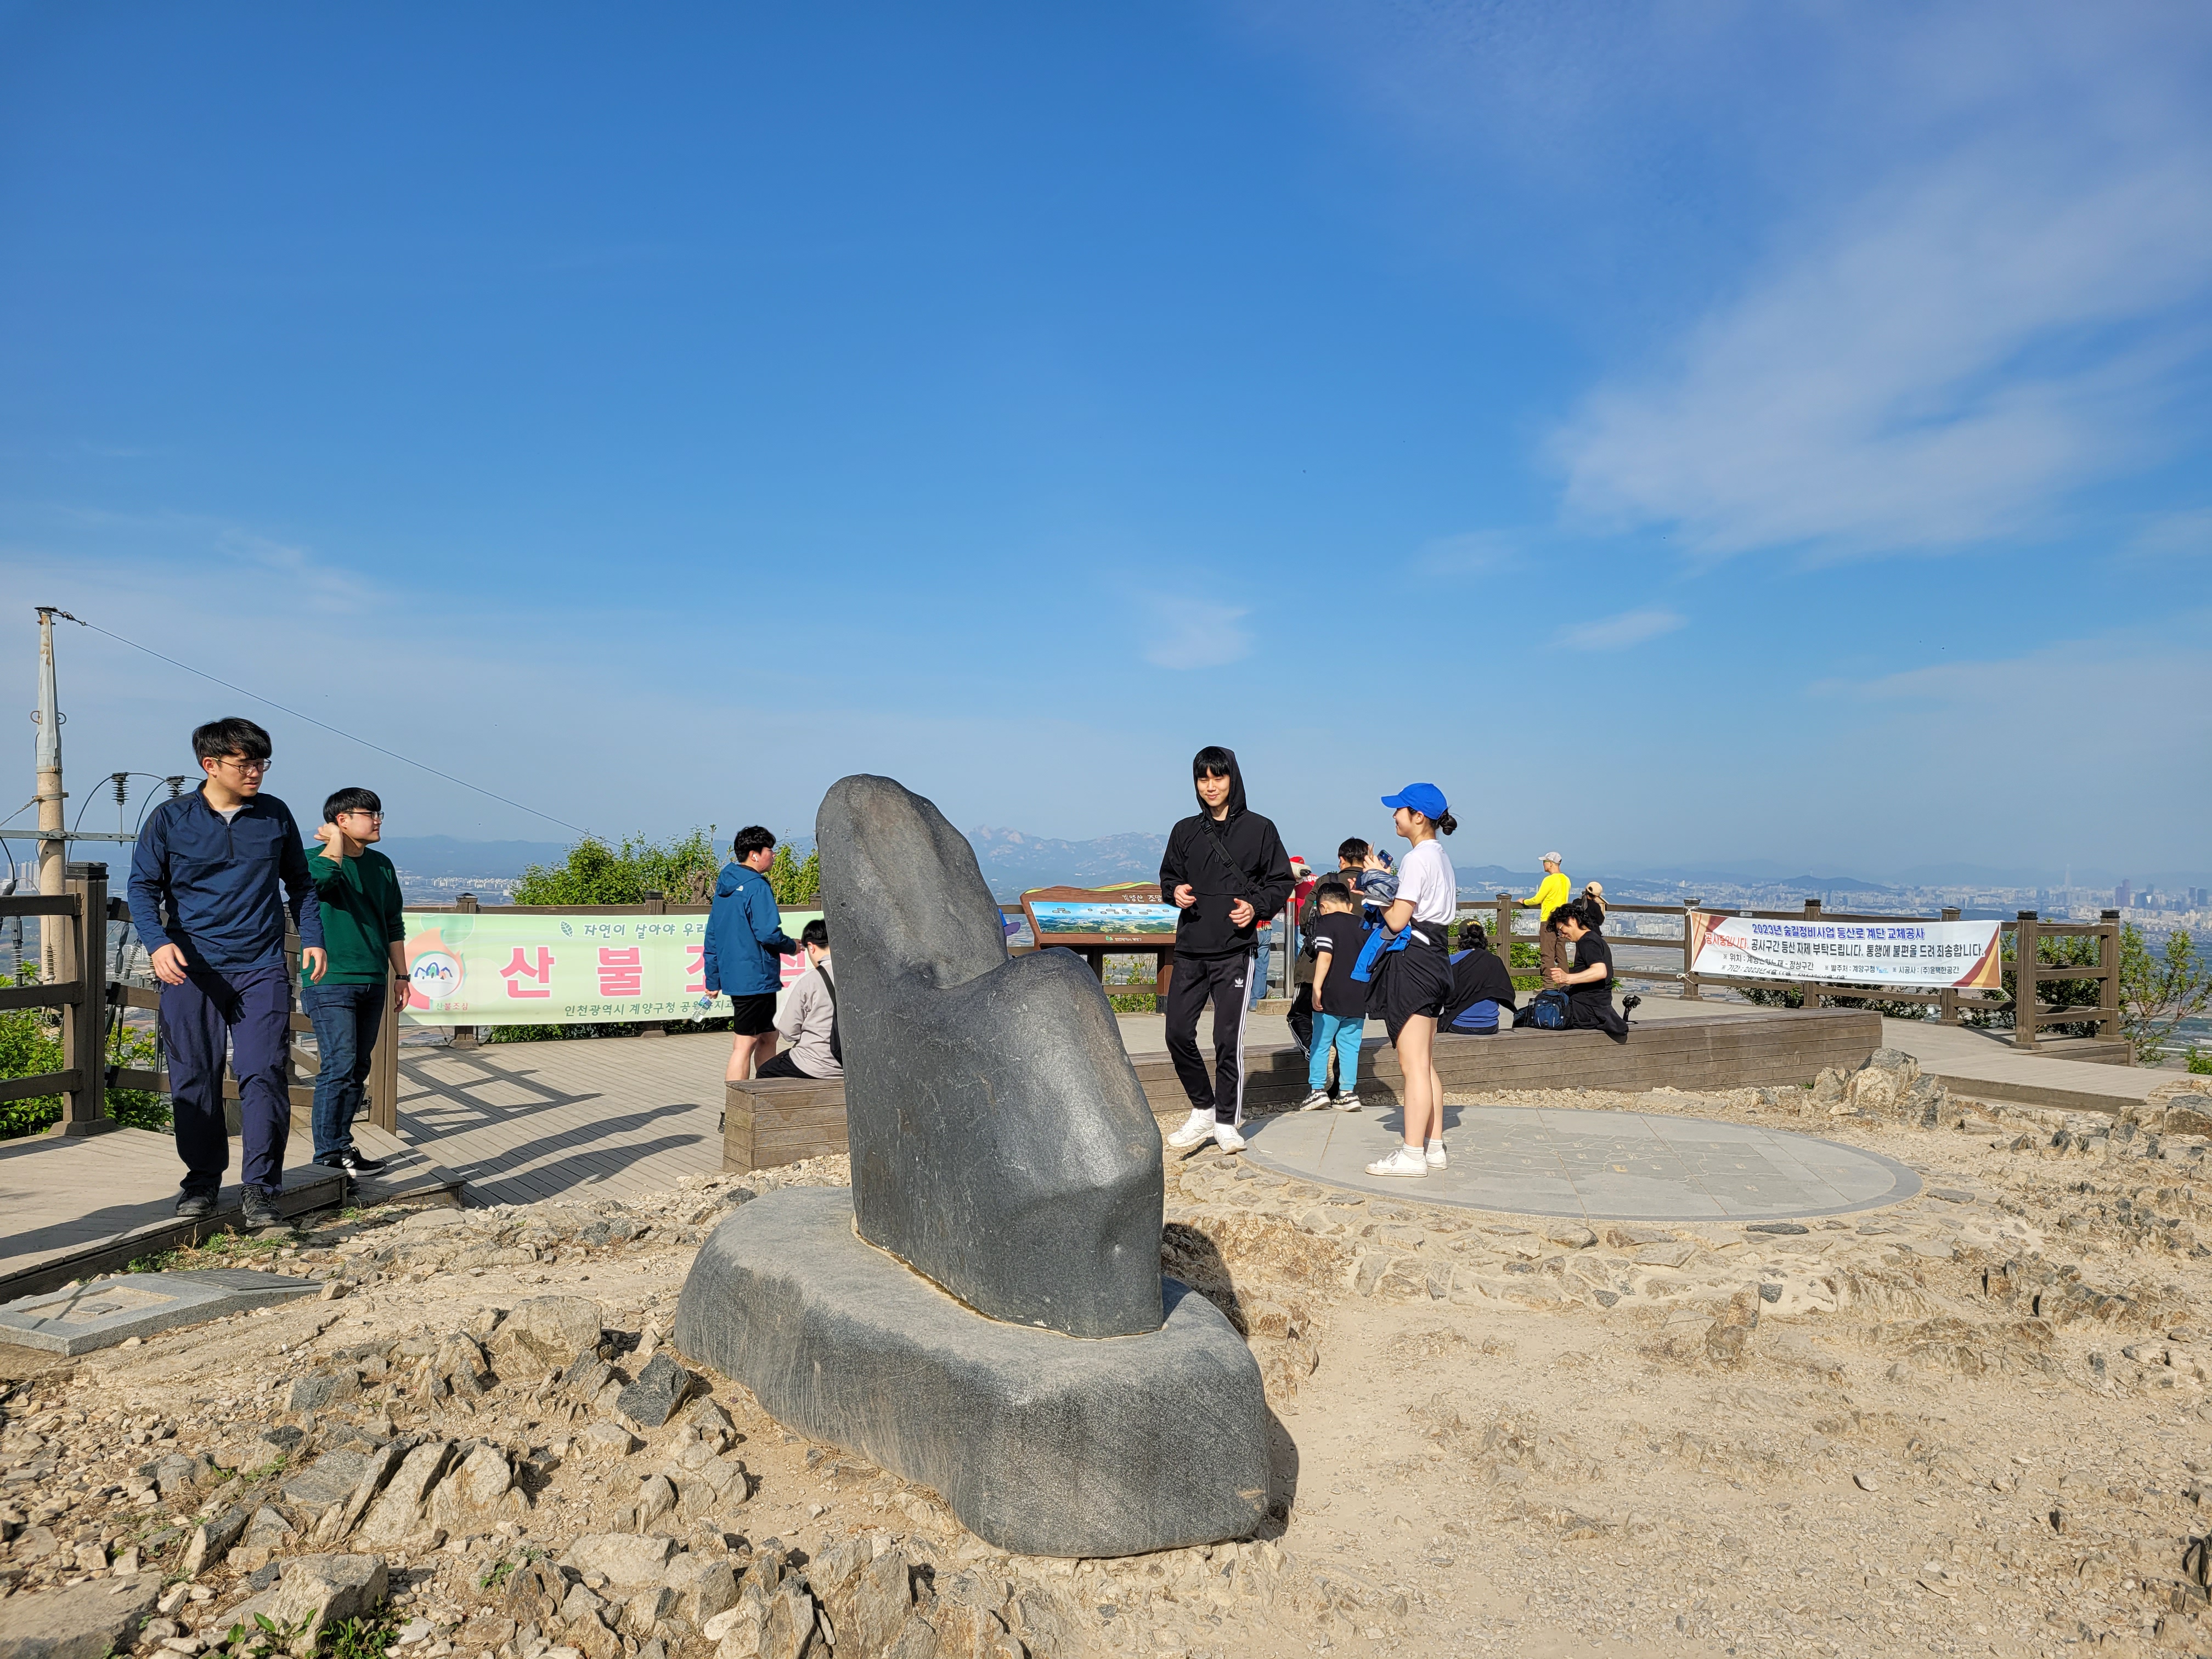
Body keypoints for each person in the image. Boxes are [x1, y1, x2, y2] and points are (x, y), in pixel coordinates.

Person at [127, 717, 325, 1229]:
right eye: (245, 763)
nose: (256, 772)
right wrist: (158, 944)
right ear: (209, 765)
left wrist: (313, 939)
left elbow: (300, 885)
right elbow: (143, 888)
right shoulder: (170, 819)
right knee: (194, 1076)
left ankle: (261, 1189)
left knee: (264, 1073)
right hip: (191, 971)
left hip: (261, 966)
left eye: (262, 763)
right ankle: (202, 1180)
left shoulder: (275, 814)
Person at [1158, 747, 1293, 1155]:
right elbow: (1168, 877)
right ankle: (1203, 1108)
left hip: (1235, 949)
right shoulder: (1184, 830)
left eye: (1218, 777)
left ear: (1233, 778)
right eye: (1203, 779)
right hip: (1191, 948)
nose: (1211, 786)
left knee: (1226, 1039)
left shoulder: (1260, 829)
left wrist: (1256, 907)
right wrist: (1175, 892)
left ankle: (1225, 1121)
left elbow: (1281, 880)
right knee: (1177, 1032)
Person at [302, 787, 405, 1177]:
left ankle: (342, 1145)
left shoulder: (382, 865)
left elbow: (393, 923)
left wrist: (402, 975)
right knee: (339, 1064)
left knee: (359, 1066)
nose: (377, 820)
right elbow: (321, 884)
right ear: (341, 820)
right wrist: (334, 843)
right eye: (368, 813)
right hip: (328, 978)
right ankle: (327, 1156)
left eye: (379, 813)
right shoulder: (312, 859)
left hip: (373, 977)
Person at [1359, 783, 1459, 1178]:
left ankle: (1412, 1153)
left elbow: (1398, 920)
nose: (1394, 815)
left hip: (1414, 962)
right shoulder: (1440, 857)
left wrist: (1374, 881)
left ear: (1418, 816)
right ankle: (1434, 1146)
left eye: (1399, 809)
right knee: (1426, 1062)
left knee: (1413, 1064)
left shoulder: (1417, 858)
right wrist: (1387, 879)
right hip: (1436, 959)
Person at [703, 826, 800, 1081]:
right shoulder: (757, 886)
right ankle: (735, 1104)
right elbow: (768, 933)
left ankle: (765, 1095)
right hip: (755, 977)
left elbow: (712, 935)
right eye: (770, 850)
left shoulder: (725, 886)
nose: (774, 855)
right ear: (754, 854)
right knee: (744, 1044)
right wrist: (792, 946)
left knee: (769, 1036)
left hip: (743, 978)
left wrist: (713, 979)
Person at [1289, 840, 1369, 1060]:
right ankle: (1341, 1078)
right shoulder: (1373, 887)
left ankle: (1315, 1055)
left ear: (1341, 860)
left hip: (1316, 964)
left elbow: (1305, 919)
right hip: (1358, 968)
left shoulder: (1327, 881)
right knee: (1346, 1029)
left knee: (1299, 1015)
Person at [1296, 878, 1370, 1111]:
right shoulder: (1363, 924)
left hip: (1331, 994)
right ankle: (1347, 1093)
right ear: (1349, 905)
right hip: (1358, 995)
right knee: (1350, 1045)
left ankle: (1317, 1090)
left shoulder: (1325, 922)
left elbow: (1325, 956)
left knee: (1321, 1042)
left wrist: (1317, 987)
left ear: (1323, 906)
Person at [757, 919, 839, 1080]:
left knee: (765, 1072)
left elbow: (788, 1030)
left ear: (811, 947)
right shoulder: (860, 977)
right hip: (853, 1062)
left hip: (815, 1063)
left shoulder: (807, 980)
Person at [1545, 894, 1629, 1041]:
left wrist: (1568, 978)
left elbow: (1600, 971)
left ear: (1572, 920)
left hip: (1588, 1009)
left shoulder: (1587, 942)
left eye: (1562, 929)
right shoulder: (1591, 939)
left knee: (1541, 1013)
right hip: (1594, 1005)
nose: (1562, 935)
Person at [1442, 918, 1519, 1035]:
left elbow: (1441, 993)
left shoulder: (1452, 961)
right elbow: (1506, 992)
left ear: (1459, 938)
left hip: (1459, 1025)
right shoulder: (1495, 961)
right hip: (1490, 1026)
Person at [1519, 852, 1572, 981]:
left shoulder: (1549, 880)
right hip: (1563, 921)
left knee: (1548, 954)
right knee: (1561, 953)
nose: (1543, 865)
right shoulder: (1566, 880)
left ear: (1551, 864)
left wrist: (1524, 901)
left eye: (1545, 862)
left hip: (1549, 920)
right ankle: (1564, 984)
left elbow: (1537, 899)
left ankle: (1548, 984)